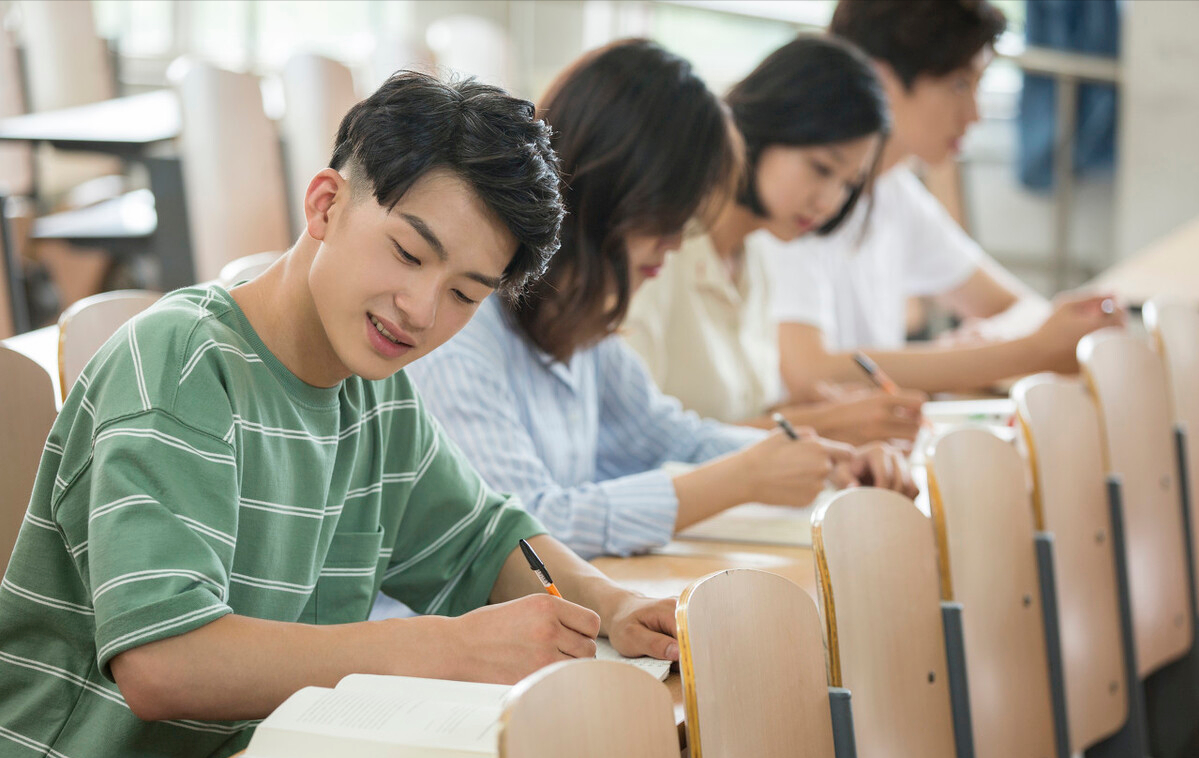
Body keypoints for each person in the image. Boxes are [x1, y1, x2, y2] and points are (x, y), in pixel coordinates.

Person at [0, 71, 680, 757]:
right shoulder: (182, 365)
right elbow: (163, 664)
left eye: (464, 294)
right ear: (325, 205)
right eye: (409, 253)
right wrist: (440, 647)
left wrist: (609, 604)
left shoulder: (372, 390)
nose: (421, 310)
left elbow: (480, 538)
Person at [407, 39, 915, 561]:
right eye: (668, 219)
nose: (675, 245)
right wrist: (740, 480)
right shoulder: (464, 322)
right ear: (614, 189)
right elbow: (529, 527)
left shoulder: (580, 323)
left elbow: (673, 437)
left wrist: (826, 460)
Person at [760, 0, 1124, 397]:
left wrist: (988, 340)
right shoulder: (800, 200)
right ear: (882, 81)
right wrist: (1024, 351)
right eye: (959, 84)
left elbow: (1019, 307)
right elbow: (810, 370)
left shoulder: (894, 191)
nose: (974, 113)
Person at [624, 34, 925, 446]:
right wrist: (825, 425)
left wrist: (810, 417)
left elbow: (734, 417)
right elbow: (633, 444)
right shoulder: (657, 250)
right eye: (821, 168)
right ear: (764, 125)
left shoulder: (758, 255)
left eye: (849, 185)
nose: (830, 202)